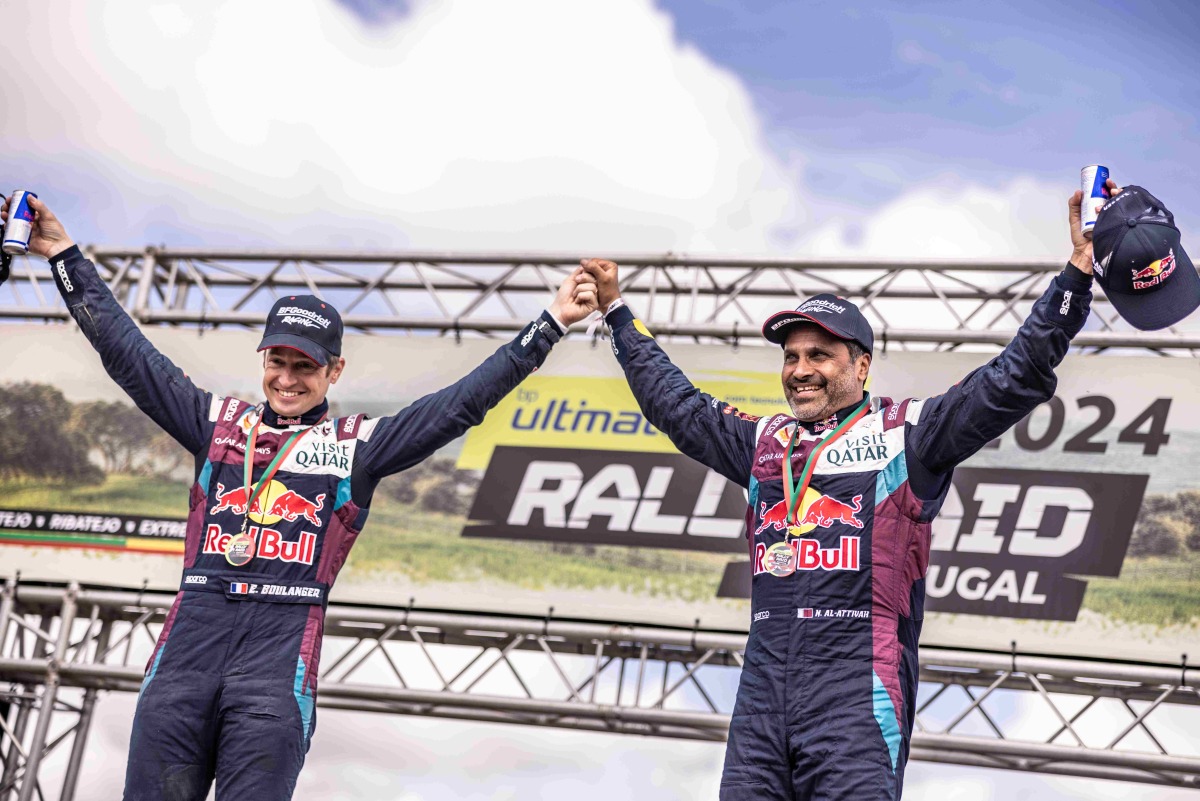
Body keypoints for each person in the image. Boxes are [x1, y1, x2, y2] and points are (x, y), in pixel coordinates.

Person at [2, 194, 598, 800]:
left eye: (305, 366)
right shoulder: (218, 423)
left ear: (334, 371)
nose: (287, 378)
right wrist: (62, 253)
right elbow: (130, 359)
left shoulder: (357, 444)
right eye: (277, 360)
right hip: (188, 648)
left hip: (277, 660)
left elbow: (461, 403)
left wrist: (547, 325)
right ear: (262, 358)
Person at [579, 183, 1118, 801]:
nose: (800, 369)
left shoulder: (909, 434)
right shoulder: (763, 442)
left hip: (858, 690)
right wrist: (617, 314)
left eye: (820, 354)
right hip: (762, 694)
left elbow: (1012, 377)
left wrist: (1076, 273)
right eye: (790, 356)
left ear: (861, 365)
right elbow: (675, 406)